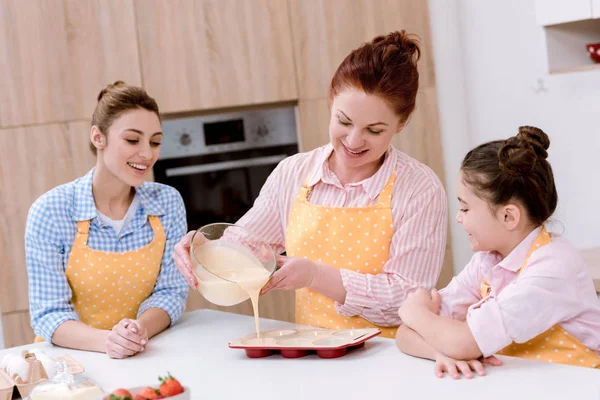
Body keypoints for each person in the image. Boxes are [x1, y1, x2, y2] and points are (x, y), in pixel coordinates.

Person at [174, 31, 448, 339]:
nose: (354, 141)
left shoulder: (419, 189)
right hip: (311, 353)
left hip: (391, 359)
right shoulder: (293, 173)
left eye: (374, 130)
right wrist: (202, 248)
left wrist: (316, 275)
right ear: (331, 99)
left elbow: (407, 299)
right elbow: (246, 248)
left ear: (401, 123)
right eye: (344, 121)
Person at [396, 126, 600, 378]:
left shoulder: (553, 268)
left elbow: (463, 341)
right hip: (520, 383)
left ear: (508, 215)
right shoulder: (487, 260)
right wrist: (440, 352)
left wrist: (415, 312)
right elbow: (405, 334)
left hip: (577, 385)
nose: (458, 218)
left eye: (466, 209)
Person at [26, 81, 189, 358]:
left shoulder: (167, 203)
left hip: (142, 351)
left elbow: (171, 292)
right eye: (132, 140)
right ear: (98, 137)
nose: (147, 154)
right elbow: (48, 312)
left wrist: (137, 330)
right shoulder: (51, 211)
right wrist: (109, 341)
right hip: (69, 365)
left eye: (155, 142)